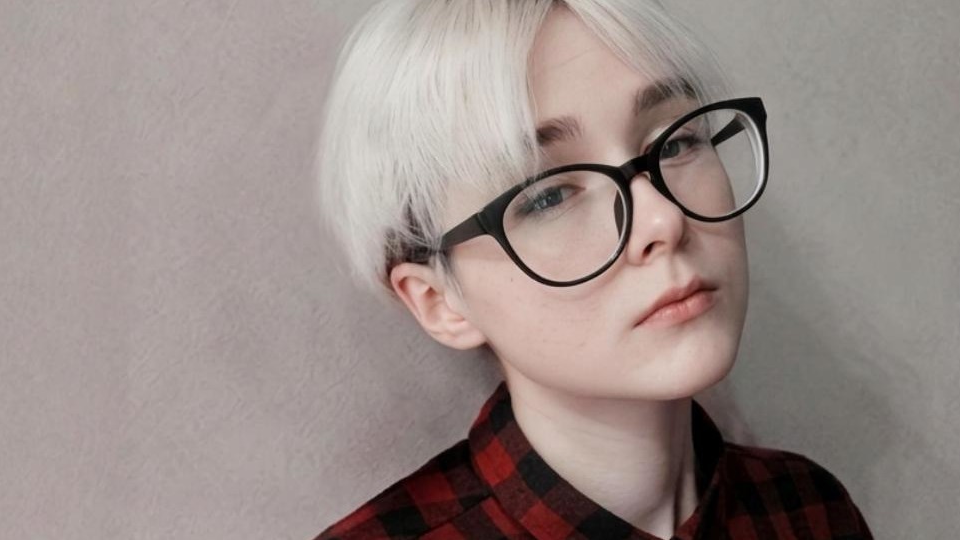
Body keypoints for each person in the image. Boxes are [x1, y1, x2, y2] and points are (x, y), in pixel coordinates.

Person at [313, 0, 873, 538]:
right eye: (548, 196)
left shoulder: (807, 508)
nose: (663, 219)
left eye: (676, 143)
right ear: (439, 301)